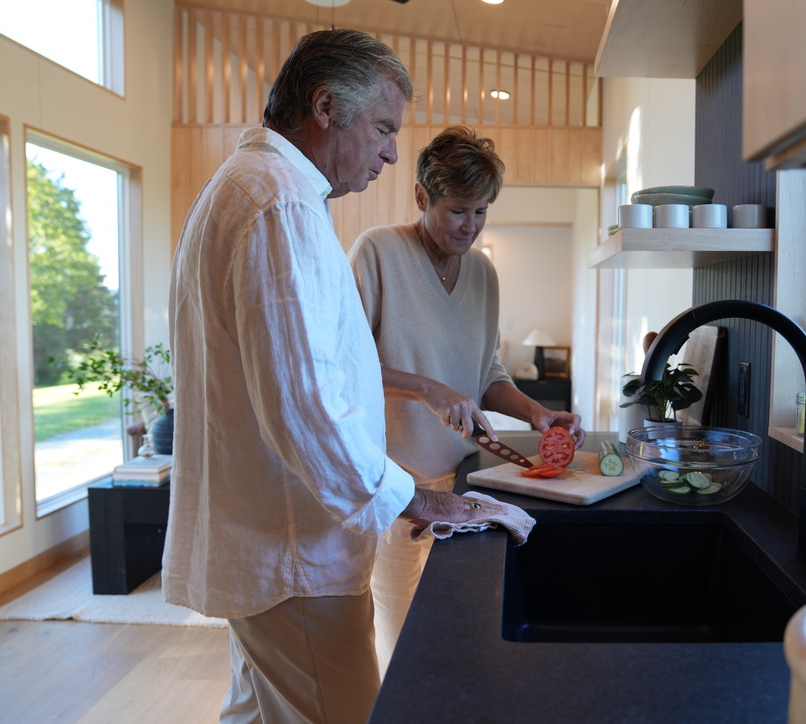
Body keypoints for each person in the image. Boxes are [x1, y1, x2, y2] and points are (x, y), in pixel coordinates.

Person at [165, 31, 501, 724]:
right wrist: (411, 497)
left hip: (272, 542)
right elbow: (303, 404)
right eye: (382, 128)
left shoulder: (256, 188)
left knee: (255, 714)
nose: (390, 152)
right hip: (295, 552)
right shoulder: (279, 203)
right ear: (324, 107)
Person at [348, 125, 586, 673]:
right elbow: (345, 369)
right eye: (457, 210)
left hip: (465, 487)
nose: (470, 226)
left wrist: (538, 413)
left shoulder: (483, 273)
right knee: (403, 644)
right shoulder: (378, 252)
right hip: (395, 490)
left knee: (460, 635)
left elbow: (486, 373)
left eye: (481, 212)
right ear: (421, 196)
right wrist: (428, 389)